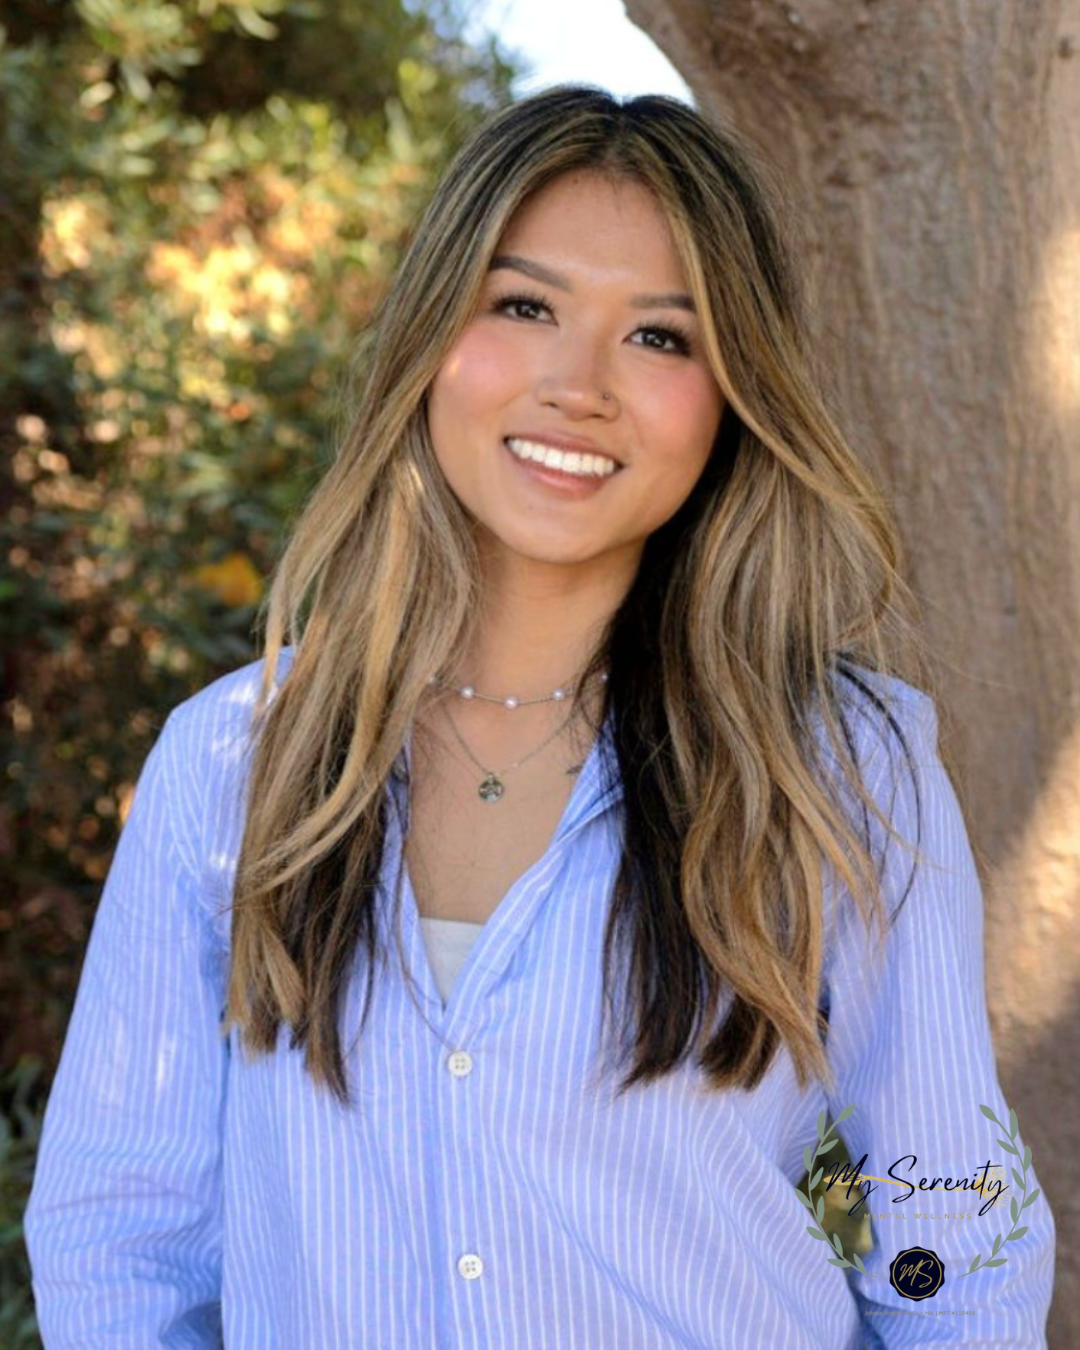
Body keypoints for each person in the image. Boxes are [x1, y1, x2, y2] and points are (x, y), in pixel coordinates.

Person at [24, 84, 1054, 1348]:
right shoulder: (234, 762)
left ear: (733, 400)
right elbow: (120, 1246)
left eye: (661, 338)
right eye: (524, 306)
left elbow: (947, 1252)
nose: (579, 386)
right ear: (431, 337)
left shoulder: (841, 770)